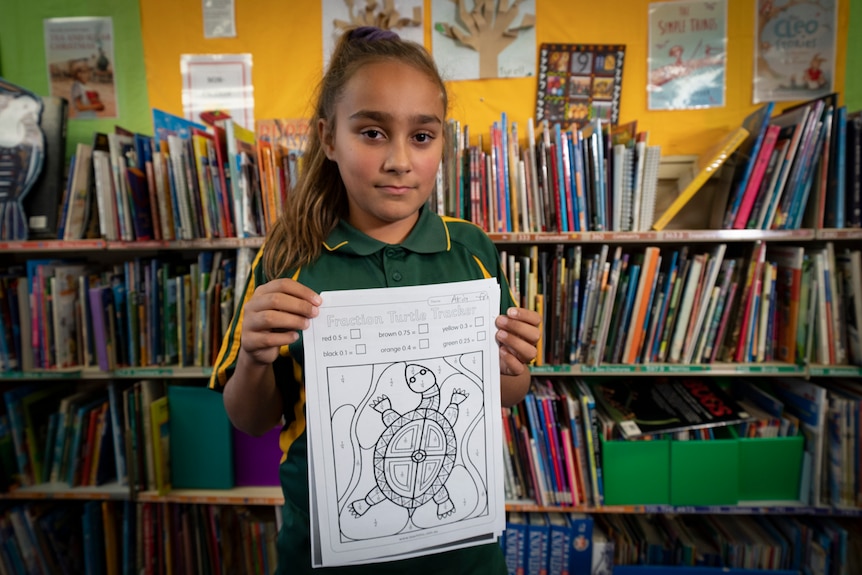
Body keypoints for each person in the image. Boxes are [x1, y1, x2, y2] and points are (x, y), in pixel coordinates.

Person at [209, 26, 541, 574]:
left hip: (462, 555)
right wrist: (253, 356)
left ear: (442, 142)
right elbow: (250, 419)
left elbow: (508, 392)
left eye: (421, 137)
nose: (399, 161)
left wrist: (514, 361)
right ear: (328, 138)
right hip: (326, 553)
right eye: (371, 133)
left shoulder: (472, 250)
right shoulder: (288, 258)